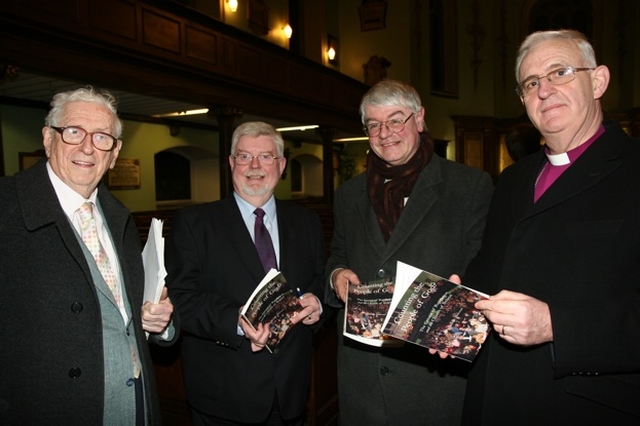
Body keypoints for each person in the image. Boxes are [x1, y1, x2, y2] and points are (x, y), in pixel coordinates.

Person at [456, 29, 640, 424]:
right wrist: (459, 303)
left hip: (581, 403)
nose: (545, 90)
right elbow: (491, 266)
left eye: (560, 72)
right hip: (493, 399)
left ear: (599, 80)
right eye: (531, 83)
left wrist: (556, 325)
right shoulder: (512, 180)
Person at [0, 87, 176, 425]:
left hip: (134, 408)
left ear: (114, 153)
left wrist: (159, 322)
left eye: (101, 137)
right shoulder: (7, 209)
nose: (87, 147)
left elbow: (130, 311)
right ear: (48, 139)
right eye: (74, 132)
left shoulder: (118, 217)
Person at [325, 79, 494, 425]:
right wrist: (336, 274)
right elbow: (337, 254)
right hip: (362, 378)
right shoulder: (348, 194)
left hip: (433, 376)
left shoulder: (469, 186)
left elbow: (485, 269)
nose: (384, 132)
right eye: (373, 124)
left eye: (395, 119)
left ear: (419, 119)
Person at [165, 121, 326, 425]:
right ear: (230, 163)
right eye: (244, 157)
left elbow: (319, 279)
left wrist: (317, 303)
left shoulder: (306, 222)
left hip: (291, 392)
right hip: (224, 396)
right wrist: (234, 321)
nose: (254, 166)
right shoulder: (194, 223)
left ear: (281, 165)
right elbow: (182, 300)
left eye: (266, 157)